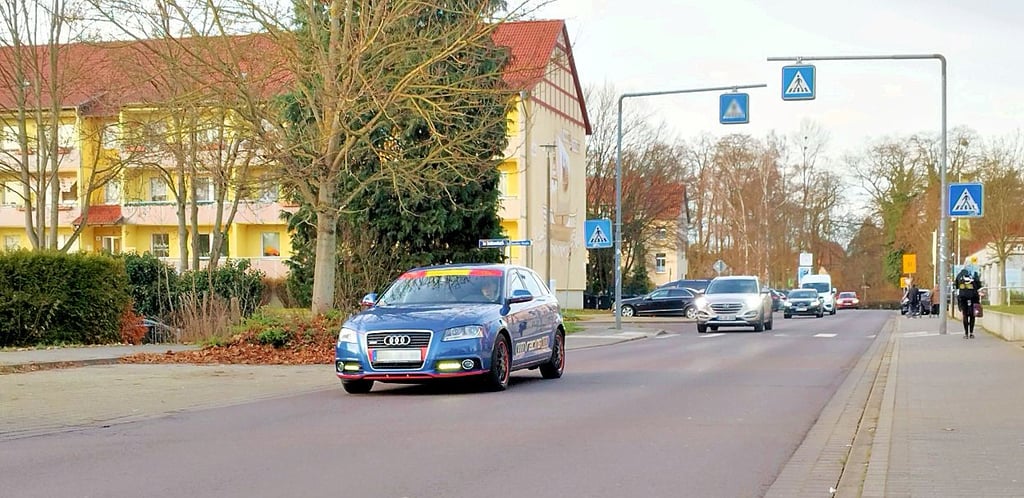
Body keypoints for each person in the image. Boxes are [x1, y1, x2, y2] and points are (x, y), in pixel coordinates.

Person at [955, 268, 982, 338]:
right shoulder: (974, 274)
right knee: (972, 315)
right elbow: (979, 285)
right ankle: (971, 333)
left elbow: (956, 285)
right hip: (973, 297)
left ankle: (966, 333)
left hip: (963, 297)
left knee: (965, 315)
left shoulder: (959, 275)